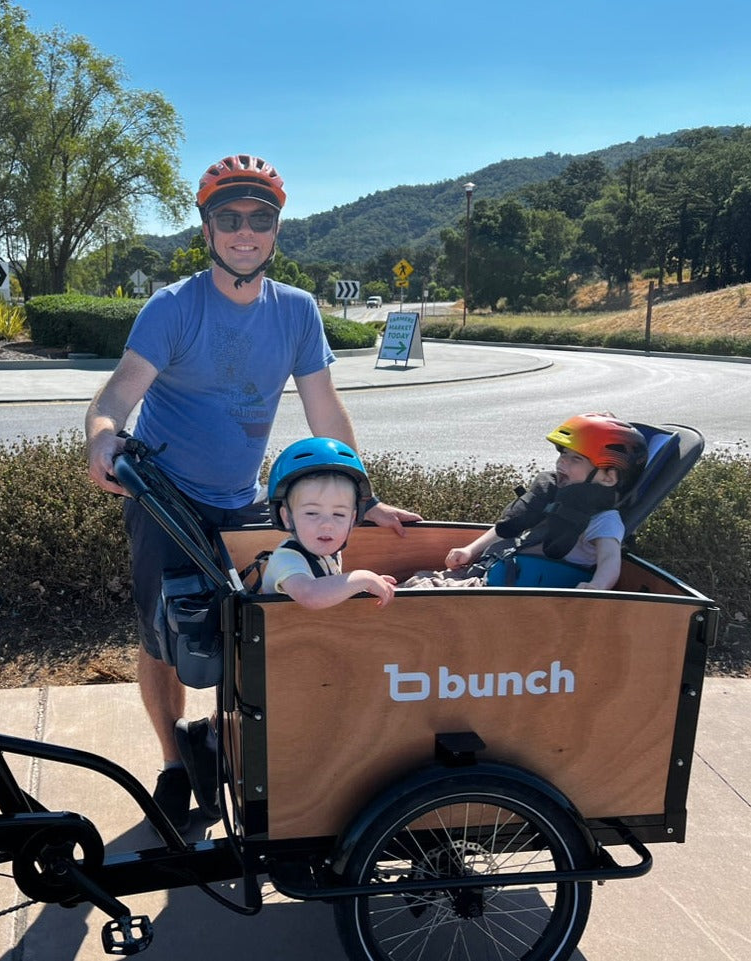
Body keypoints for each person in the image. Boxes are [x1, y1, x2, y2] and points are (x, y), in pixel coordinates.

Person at [85, 153, 421, 832]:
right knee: (163, 639)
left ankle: (220, 745)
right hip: (165, 499)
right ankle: (173, 763)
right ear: (206, 228)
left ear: (274, 230)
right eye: (228, 217)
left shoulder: (295, 312)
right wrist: (101, 434)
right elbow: (121, 388)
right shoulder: (173, 306)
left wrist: (362, 496)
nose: (245, 231)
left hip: (241, 499)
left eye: (259, 219)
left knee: (247, 633)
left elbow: (324, 407)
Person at [404, 413, 648, 591]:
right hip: (500, 574)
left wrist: (596, 586)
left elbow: (609, 560)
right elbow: (508, 527)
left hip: (517, 589)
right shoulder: (556, 495)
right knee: (418, 581)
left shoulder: (604, 520)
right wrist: (470, 549)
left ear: (608, 477)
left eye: (575, 459)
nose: (562, 463)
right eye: (562, 455)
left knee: (422, 591)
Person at [261, 438, 397, 608]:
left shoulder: (329, 550)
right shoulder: (286, 559)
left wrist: (362, 587)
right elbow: (311, 595)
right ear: (287, 517)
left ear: (352, 518)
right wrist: (363, 578)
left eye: (339, 514)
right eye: (312, 513)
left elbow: (329, 590)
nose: (327, 524)